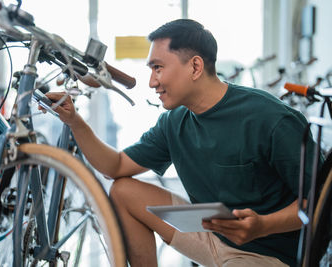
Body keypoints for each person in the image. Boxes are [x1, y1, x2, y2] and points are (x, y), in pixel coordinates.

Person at [42, 19, 318, 267]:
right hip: (212, 234)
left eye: (158, 68)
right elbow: (115, 166)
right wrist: (75, 122)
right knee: (123, 190)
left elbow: (328, 200)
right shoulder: (175, 121)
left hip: (268, 255)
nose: (151, 82)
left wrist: (263, 226)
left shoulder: (269, 118)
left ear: (195, 66)